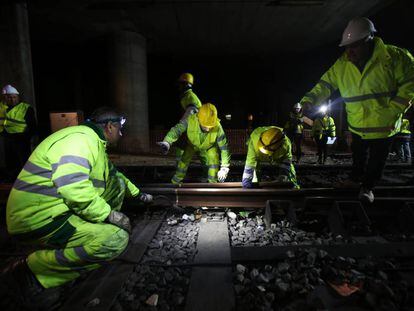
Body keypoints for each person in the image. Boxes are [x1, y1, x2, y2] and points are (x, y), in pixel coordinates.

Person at [1, 107, 153, 309]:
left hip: (53, 210)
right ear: (109, 127)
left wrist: (138, 195)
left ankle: (68, 248)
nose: (121, 134)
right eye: (119, 128)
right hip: (38, 217)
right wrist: (109, 215)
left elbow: (116, 176)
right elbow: (73, 184)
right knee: (114, 240)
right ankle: (30, 272)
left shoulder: (93, 142)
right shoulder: (81, 141)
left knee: (117, 185)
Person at [299, 17, 414, 203]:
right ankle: (355, 180)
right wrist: (308, 101)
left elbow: (410, 83)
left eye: (355, 46)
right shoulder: (342, 64)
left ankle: (368, 188)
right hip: (357, 123)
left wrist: (394, 110)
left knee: (377, 160)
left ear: (368, 40)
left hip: (384, 124)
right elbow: (325, 84)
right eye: (347, 46)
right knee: (359, 156)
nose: (349, 51)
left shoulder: (394, 57)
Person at [157, 103, 231, 184]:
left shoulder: (217, 126)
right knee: (184, 160)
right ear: (198, 119)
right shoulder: (190, 120)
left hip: (210, 146)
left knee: (213, 158)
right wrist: (167, 141)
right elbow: (177, 130)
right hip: (192, 145)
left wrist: (224, 167)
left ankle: (213, 183)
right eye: (205, 126)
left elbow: (224, 148)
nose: (208, 129)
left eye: (210, 127)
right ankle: (175, 181)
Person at [1, 84, 37, 180]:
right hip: (7, 137)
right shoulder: (2, 107)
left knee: (23, 161)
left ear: (18, 97)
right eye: (9, 97)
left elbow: (32, 126)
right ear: (5, 97)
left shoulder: (25, 108)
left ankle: (27, 179)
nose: (12, 100)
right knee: (10, 161)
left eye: (14, 97)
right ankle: (12, 178)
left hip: (22, 138)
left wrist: (27, 137)